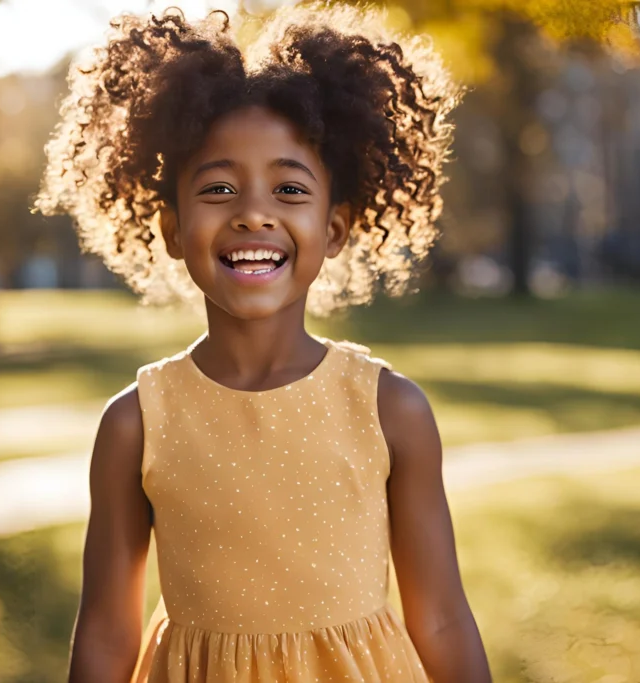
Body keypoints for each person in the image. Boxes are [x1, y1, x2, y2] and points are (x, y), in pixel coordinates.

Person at [37, 5, 491, 682]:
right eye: (219, 188)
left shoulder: (392, 411)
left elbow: (443, 617)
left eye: (288, 188)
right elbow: (106, 631)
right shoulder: (135, 423)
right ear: (170, 226)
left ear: (334, 228)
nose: (254, 211)